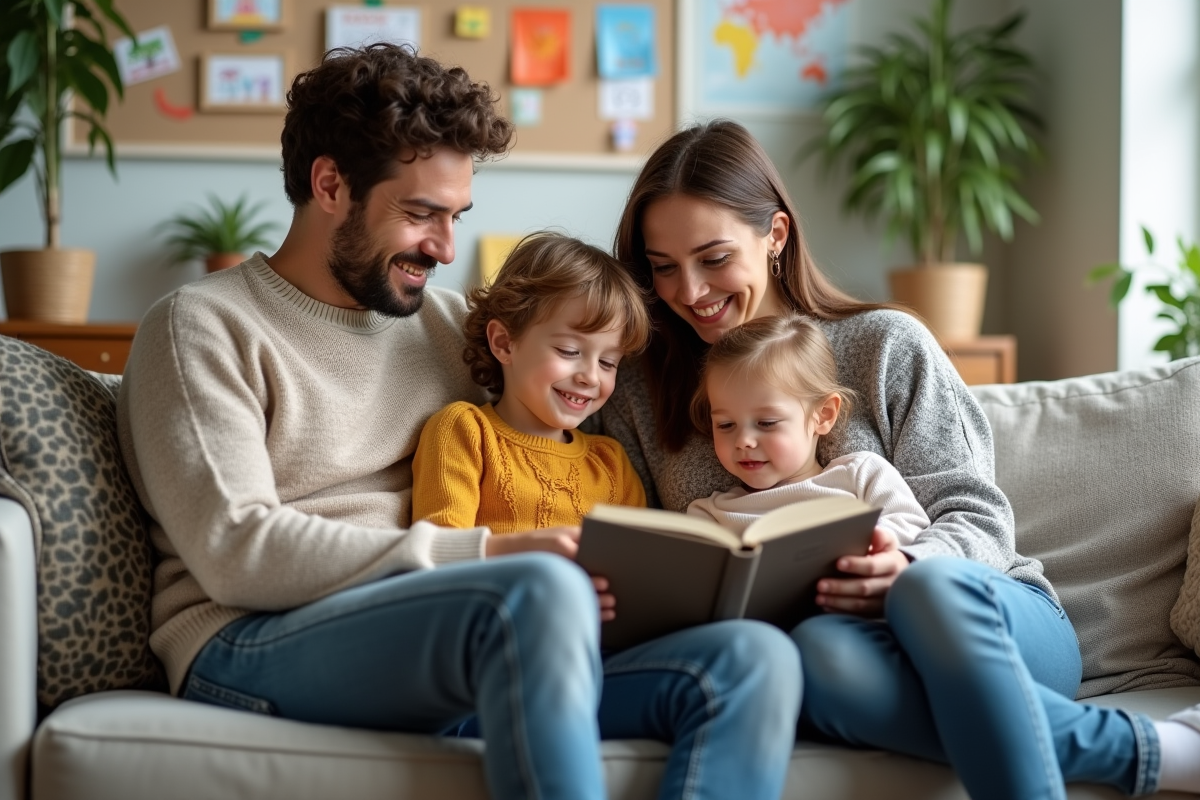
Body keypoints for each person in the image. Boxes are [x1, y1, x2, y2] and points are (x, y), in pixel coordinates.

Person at [117, 46, 801, 800]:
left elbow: (578, 387)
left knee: (749, 659)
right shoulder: (203, 327)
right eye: (420, 215)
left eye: (455, 217)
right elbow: (236, 552)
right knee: (533, 591)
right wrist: (486, 553)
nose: (445, 248)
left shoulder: (450, 327)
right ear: (330, 185)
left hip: (458, 637)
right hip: (252, 641)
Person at [601, 118, 1200, 799]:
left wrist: (907, 566)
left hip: (989, 620)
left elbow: (977, 515)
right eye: (662, 267)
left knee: (925, 585)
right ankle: (1144, 748)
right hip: (842, 654)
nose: (690, 291)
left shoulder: (885, 345)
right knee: (814, 661)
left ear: (774, 235)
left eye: (712, 259)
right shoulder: (638, 392)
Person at [412, 232, 649, 539]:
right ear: (504, 343)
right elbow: (440, 550)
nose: (590, 377)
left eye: (608, 363)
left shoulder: (611, 464)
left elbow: (636, 566)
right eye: (569, 351)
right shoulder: (465, 432)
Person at [685, 313, 928, 544]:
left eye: (766, 423)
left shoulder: (860, 475)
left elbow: (910, 522)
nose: (743, 441)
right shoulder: (711, 515)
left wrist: (878, 542)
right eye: (725, 425)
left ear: (823, 415)